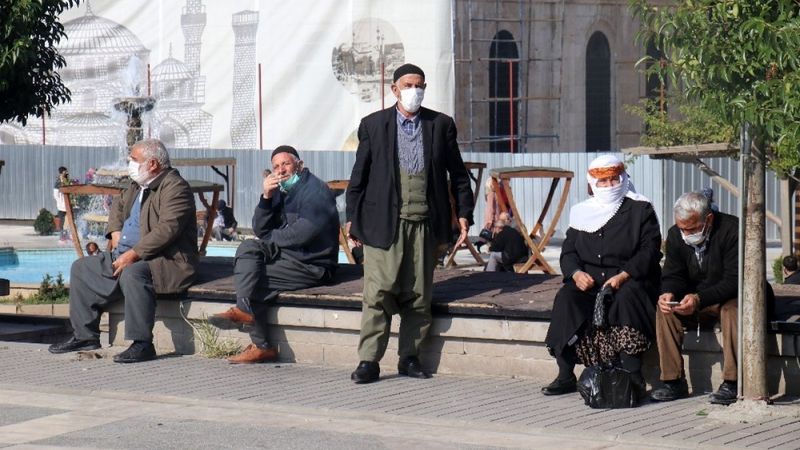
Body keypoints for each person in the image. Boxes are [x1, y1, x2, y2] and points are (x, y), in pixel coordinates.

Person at [346, 63, 474, 383]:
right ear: (394, 89)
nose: (413, 91)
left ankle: (410, 357)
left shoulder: (440, 125)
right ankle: (369, 361)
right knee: (378, 292)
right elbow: (358, 179)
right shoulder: (373, 125)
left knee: (418, 293)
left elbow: (458, 175)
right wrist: (352, 220)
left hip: (425, 223)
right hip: (382, 222)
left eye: (419, 85)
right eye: (408, 85)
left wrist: (464, 214)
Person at [48, 139, 198, 363]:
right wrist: (115, 231)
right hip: (128, 255)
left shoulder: (175, 188)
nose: (130, 164)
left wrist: (133, 254)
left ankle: (142, 343)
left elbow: (168, 229)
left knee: (134, 272)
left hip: (168, 261)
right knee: (82, 268)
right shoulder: (139, 185)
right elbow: (118, 205)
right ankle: (85, 336)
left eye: (134, 160)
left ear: (153, 163)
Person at [542, 155, 661, 399]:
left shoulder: (640, 209)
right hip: (591, 282)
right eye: (603, 181)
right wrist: (576, 274)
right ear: (592, 183)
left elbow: (650, 250)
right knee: (567, 299)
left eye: (613, 180)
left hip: (629, 279)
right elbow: (569, 252)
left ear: (623, 178)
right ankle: (565, 373)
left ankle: (633, 375)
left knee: (627, 299)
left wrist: (623, 276)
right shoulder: (581, 212)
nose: (609, 186)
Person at [208, 145, 339, 364]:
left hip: (312, 264)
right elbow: (260, 229)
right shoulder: (280, 190)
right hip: (287, 257)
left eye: (286, 164)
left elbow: (302, 235)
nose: (281, 170)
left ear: (299, 165)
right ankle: (246, 314)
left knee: (252, 279)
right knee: (248, 248)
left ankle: (260, 343)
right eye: (276, 166)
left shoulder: (316, 191)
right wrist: (266, 197)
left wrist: (268, 239)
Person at [649, 191, 739, 405]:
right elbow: (673, 273)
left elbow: (734, 280)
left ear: (707, 219)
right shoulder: (675, 235)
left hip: (728, 295)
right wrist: (668, 292)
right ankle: (673, 380)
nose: (685, 233)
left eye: (690, 228)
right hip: (695, 296)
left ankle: (733, 382)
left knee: (732, 312)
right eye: (681, 228)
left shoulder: (732, 230)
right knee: (665, 312)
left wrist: (699, 299)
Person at [53, 166, 70, 241]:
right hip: (62, 204)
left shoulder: (66, 179)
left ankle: (66, 235)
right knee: (62, 220)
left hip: (66, 203)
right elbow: (56, 193)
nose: (67, 173)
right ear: (62, 172)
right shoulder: (58, 181)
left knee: (68, 220)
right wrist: (60, 201)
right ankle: (62, 236)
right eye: (65, 171)